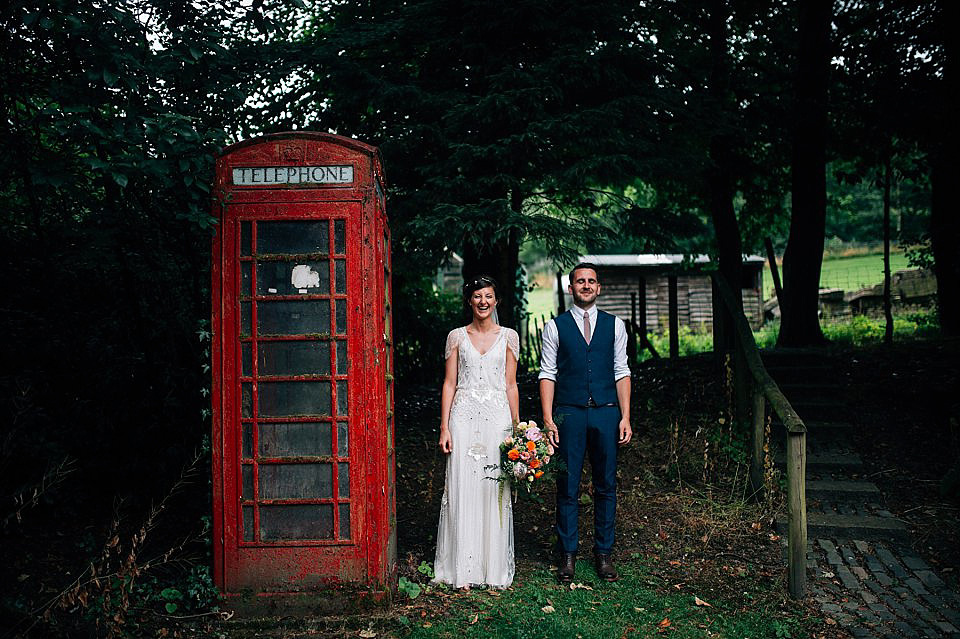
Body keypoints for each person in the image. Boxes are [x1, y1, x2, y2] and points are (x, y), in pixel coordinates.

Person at [539, 262, 632, 583]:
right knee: (567, 486)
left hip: (607, 412)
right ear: (571, 288)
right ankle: (568, 555)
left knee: (606, 486)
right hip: (570, 413)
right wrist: (549, 418)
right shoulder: (555, 327)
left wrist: (626, 416)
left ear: (599, 287)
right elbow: (548, 373)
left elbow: (622, 371)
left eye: (592, 281)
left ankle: (604, 555)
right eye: (581, 281)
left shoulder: (615, 325)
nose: (586, 285)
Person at [433, 275, 520, 589]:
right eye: (477, 296)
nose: (483, 301)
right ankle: (462, 570)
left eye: (489, 296)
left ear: (496, 300)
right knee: (462, 487)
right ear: (469, 301)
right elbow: (449, 383)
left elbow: (511, 384)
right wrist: (444, 427)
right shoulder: (456, 336)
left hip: (497, 417)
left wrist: (518, 429)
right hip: (464, 417)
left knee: (493, 488)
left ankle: (491, 568)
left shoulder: (509, 336)